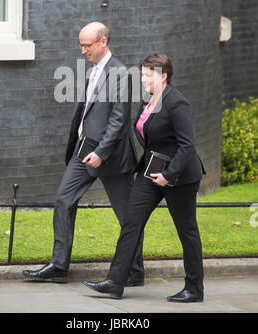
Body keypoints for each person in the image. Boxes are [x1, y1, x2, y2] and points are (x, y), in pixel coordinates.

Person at [23, 22, 144, 285]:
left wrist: (101, 152)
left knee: (127, 216)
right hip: (83, 149)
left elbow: (119, 119)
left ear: (103, 42)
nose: (83, 50)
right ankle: (58, 266)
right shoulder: (92, 70)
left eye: (87, 45)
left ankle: (134, 272)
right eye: (81, 45)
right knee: (64, 201)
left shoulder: (121, 73)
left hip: (111, 156)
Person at [83, 53, 205, 302]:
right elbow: (150, 140)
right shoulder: (150, 101)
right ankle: (115, 283)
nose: (143, 80)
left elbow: (187, 146)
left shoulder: (176, 102)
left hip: (178, 176)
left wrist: (169, 175)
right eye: (142, 75)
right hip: (150, 171)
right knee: (131, 222)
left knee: (187, 231)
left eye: (148, 75)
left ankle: (194, 289)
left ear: (164, 76)